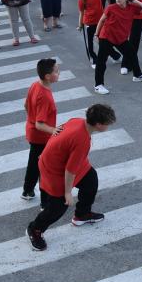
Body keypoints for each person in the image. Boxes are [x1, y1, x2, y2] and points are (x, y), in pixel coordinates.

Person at [26, 104, 117, 251]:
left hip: (63, 162)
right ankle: (35, 229)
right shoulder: (82, 141)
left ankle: (81, 215)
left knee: (91, 181)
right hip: (54, 171)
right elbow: (70, 170)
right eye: (108, 124)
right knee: (58, 207)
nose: (109, 126)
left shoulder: (77, 121)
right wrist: (68, 193)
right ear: (99, 125)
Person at [93, 0, 142, 94]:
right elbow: (101, 21)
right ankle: (98, 85)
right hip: (107, 37)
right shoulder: (111, 7)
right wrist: (96, 34)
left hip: (121, 38)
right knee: (101, 62)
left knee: (132, 54)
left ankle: (137, 75)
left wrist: (135, 0)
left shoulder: (132, 8)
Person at [21, 58, 62, 201]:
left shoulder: (35, 85)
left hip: (33, 132)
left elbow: (26, 105)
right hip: (41, 137)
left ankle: (27, 191)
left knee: (34, 164)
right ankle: (44, 201)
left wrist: (31, 118)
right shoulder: (45, 96)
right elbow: (40, 124)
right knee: (44, 168)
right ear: (47, 76)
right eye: (56, 71)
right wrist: (54, 131)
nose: (59, 73)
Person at [77, 0, 115, 68]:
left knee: (104, 40)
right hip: (90, 22)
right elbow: (81, 13)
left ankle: (115, 55)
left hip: (100, 21)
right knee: (90, 42)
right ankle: (94, 59)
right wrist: (80, 25)